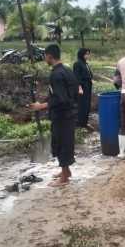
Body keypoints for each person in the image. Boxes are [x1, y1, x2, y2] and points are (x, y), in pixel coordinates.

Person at [28, 44, 78, 187]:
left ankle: (64, 178)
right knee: (63, 142)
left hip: (62, 116)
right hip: (69, 113)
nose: (45, 59)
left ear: (49, 56)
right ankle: (66, 171)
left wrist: (40, 106)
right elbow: (70, 93)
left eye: (45, 56)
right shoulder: (68, 70)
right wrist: (44, 102)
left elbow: (59, 99)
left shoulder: (56, 75)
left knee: (62, 144)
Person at [73, 47, 93, 129]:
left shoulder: (85, 64)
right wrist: (79, 88)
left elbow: (88, 75)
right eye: (86, 54)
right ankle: (80, 124)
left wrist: (91, 79)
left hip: (88, 86)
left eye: (88, 54)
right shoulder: (77, 64)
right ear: (82, 54)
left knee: (87, 105)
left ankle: (85, 122)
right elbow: (77, 77)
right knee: (82, 106)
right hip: (82, 88)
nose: (88, 56)